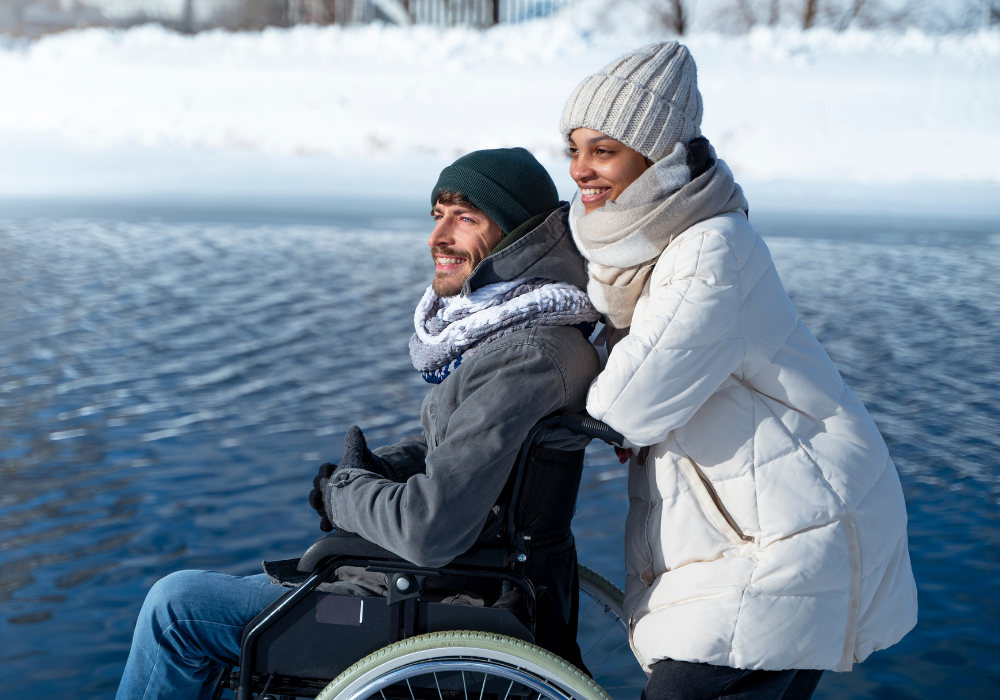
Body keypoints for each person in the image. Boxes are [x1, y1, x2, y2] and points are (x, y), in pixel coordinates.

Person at [115, 147, 602, 700]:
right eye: (437, 214)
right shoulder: (530, 328)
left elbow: (429, 527)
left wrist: (346, 494)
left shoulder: (528, 354)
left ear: (520, 235)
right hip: (448, 584)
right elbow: (467, 444)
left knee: (175, 608)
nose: (437, 236)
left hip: (441, 601)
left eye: (465, 217)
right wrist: (384, 466)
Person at [560, 43, 918, 700]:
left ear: (656, 154)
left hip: (797, 531)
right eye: (573, 149)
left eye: (603, 150)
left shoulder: (712, 247)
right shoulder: (654, 249)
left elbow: (629, 401)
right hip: (746, 528)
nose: (581, 169)